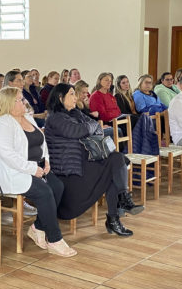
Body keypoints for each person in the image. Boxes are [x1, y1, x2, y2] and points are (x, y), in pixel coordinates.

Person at [44, 83, 142, 236]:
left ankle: (119, 206)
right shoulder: (54, 118)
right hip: (70, 175)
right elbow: (77, 131)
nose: (76, 97)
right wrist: (89, 127)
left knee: (116, 161)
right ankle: (116, 214)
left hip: (85, 164)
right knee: (115, 165)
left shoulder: (76, 113)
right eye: (72, 94)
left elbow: (96, 126)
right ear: (60, 97)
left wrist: (89, 127)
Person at [0, 87, 75, 256]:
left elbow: (42, 142)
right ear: (8, 104)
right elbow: (8, 156)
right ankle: (55, 239)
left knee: (58, 187)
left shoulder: (28, 118)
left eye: (23, 99)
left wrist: (46, 160)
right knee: (44, 192)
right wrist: (32, 169)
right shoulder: (2, 123)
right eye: (20, 100)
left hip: (36, 167)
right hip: (11, 172)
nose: (25, 102)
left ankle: (38, 227)